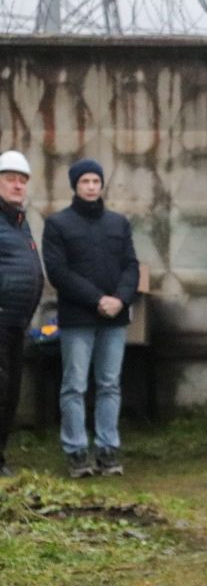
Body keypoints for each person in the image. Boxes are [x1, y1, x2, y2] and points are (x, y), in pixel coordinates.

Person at [42, 159, 140, 478]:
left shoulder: (118, 224)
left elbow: (131, 266)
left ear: (102, 185)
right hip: (77, 319)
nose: (91, 186)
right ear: (75, 185)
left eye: (96, 181)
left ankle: (107, 449)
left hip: (114, 319)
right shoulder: (58, 224)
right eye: (84, 181)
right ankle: (76, 450)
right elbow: (58, 272)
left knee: (109, 384)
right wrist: (97, 300)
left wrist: (121, 299)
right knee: (74, 384)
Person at [0, 151, 44, 477]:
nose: (17, 186)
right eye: (10, 179)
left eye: (22, 181)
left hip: (17, 324)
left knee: (10, 393)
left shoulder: (19, 221)